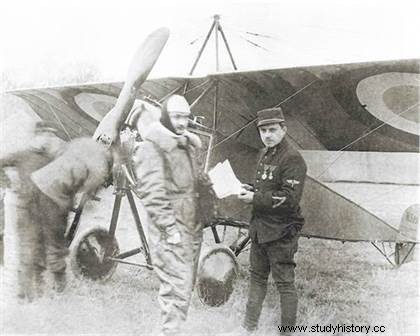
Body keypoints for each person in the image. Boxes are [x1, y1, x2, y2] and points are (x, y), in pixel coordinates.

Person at [133, 94, 203, 336]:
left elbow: (193, 184)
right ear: (164, 117)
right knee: (175, 289)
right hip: (171, 230)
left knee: (183, 289)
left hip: (190, 226)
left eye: (185, 116)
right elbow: (153, 193)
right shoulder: (152, 147)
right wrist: (170, 229)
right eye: (176, 116)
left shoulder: (185, 145)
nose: (182, 122)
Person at [236, 107, 307, 335]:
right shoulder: (266, 153)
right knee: (256, 279)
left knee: (284, 284)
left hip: (281, 232)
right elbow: (267, 185)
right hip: (260, 230)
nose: (267, 135)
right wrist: (251, 188)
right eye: (263, 130)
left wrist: (255, 197)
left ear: (284, 129)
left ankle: (286, 332)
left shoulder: (292, 158)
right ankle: (249, 328)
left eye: (273, 130)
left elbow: (289, 199)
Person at [30, 137, 114, 293]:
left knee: (38, 236)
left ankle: (37, 278)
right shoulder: (102, 165)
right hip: (54, 196)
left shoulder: (82, 143)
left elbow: (58, 152)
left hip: (36, 183)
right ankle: (58, 289)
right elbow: (89, 193)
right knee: (56, 243)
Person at [0, 121, 64, 301]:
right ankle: (23, 296)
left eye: (52, 136)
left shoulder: (51, 159)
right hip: (27, 212)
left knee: (41, 255)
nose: (50, 139)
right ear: (38, 135)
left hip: (46, 213)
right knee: (27, 253)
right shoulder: (22, 155)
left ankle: (39, 293)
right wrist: (7, 183)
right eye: (47, 135)